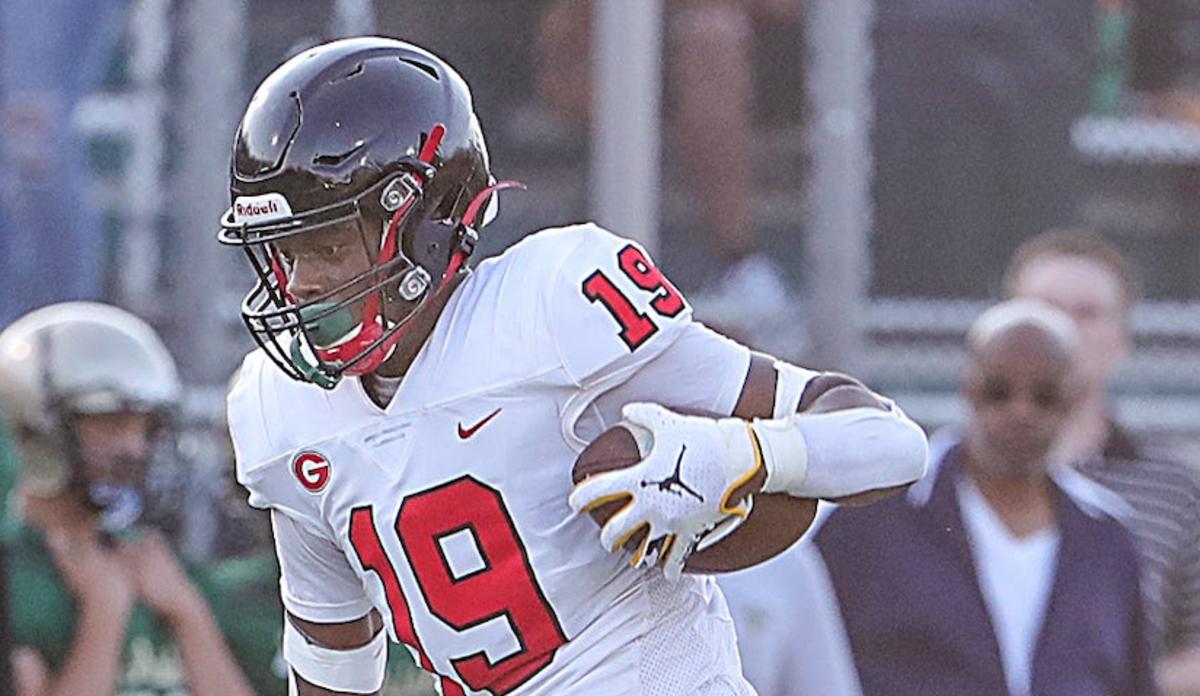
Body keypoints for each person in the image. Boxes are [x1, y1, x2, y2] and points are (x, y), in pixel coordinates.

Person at [217, 36, 928, 696]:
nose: (300, 283)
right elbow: (330, 656)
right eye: (283, 252)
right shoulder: (280, 408)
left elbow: (889, 444)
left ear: (424, 220)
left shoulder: (555, 306)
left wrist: (738, 455)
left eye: (328, 246)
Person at [817, 299, 1156, 696]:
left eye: (1044, 396)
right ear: (970, 390)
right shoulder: (871, 516)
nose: (1021, 411)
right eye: (999, 392)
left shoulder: (1107, 536)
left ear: (1071, 401)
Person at [0, 302, 285, 696]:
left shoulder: (170, 570)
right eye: (111, 423)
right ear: (34, 426)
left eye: (146, 428)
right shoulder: (17, 580)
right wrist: (104, 613)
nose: (134, 448)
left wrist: (188, 616)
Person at [1005, 228, 1200, 694]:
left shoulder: (1175, 487)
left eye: (1087, 313)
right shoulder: (936, 480)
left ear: (1121, 340)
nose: (1064, 328)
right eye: (1045, 309)